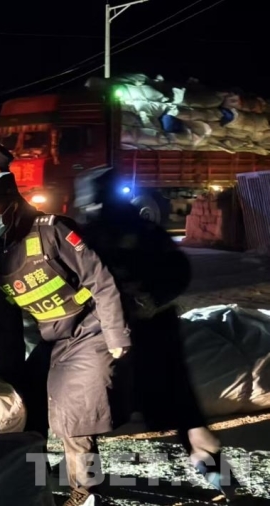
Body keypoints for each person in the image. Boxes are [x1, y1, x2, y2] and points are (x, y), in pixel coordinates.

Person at [74, 167, 239, 500]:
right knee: (173, 403)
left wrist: (149, 298)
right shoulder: (108, 233)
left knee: (155, 401)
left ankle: (213, 472)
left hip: (142, 332)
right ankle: (213, 471)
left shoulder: (123, 234)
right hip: (129, 332)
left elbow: (176, 270)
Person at [0, 171, 129, 506]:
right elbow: (5, 326)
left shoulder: (52, 230)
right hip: (54, 339)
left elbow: (101, 280)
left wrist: (116, 335)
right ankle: (36, 480)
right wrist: (11, 375)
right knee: (28, 408)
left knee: (73, 414)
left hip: (90, 329)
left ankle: (86, 493)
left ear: (13, 205)